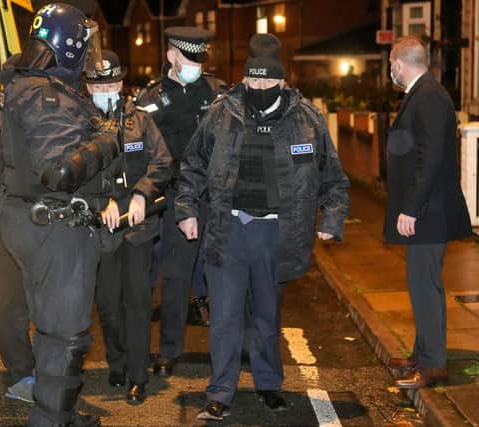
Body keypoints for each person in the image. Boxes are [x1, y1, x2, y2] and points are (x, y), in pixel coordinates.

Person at [174, 33, 350, 420]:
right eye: (254, 80)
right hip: (228, 229)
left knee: (267, 316)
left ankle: (268, 384)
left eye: (268, 81)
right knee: (224, 317)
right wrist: (186, 210)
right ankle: (220, 392)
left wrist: (332, 219)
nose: (260, 87)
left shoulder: (306, 120)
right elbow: (191, 166)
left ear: (282, 81)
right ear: (245, 79)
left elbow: (333, 179)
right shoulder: (221, 114)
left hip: (277, 233)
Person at [0, 4, 119, 426]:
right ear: (67, 46)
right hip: (56, 227)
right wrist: (108, 140)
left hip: (33, 221)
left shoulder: (29, 84)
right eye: (85, 45)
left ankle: (59, 414)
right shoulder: (45, 94)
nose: (89, 54)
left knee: (53, 329)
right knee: (65, 337)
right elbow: (61, 170)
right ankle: (51, 420)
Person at [136, 26, 226, 377]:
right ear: (172, 55)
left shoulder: (219, 93)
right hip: (176, 197)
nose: (196, 66)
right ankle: (169, 351)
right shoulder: (150, 99)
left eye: (200, 60)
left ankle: (232, 347)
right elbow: (139, 149)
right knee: (176, 277)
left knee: (225, 275)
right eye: (190, 59)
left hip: (216, 196)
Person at [85, 50, 172, 405]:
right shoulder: (77, 122)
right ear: (88, 86)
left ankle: (138, 376)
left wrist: (141, 195)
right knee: (107, 304)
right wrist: (99, 200)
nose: (105, 88)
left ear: (120, 83)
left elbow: (163, 162)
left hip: (137, 228)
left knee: (136, 302)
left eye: (111, 82)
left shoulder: (142, 121)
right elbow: (74, 172)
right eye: (98, 83)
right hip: (101, 228)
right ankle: (117, 361)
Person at [384, 36, 472, 389]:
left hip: (427, 213)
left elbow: (431, 159)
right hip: (425, 212)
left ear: (400, 64)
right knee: (420, 285)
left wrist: (411, 208)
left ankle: (434, 365)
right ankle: (422, 355)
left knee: (426, 287)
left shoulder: (431, 97)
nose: (391, 71)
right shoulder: (425, 94)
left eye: (391, 65)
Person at [0, 112, 35, 403]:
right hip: (9, 225)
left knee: (20, 302)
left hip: (19, 225)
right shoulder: (0, 126)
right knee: (15, 303)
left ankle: (26, 372)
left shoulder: (6, 121)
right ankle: (21, 375)